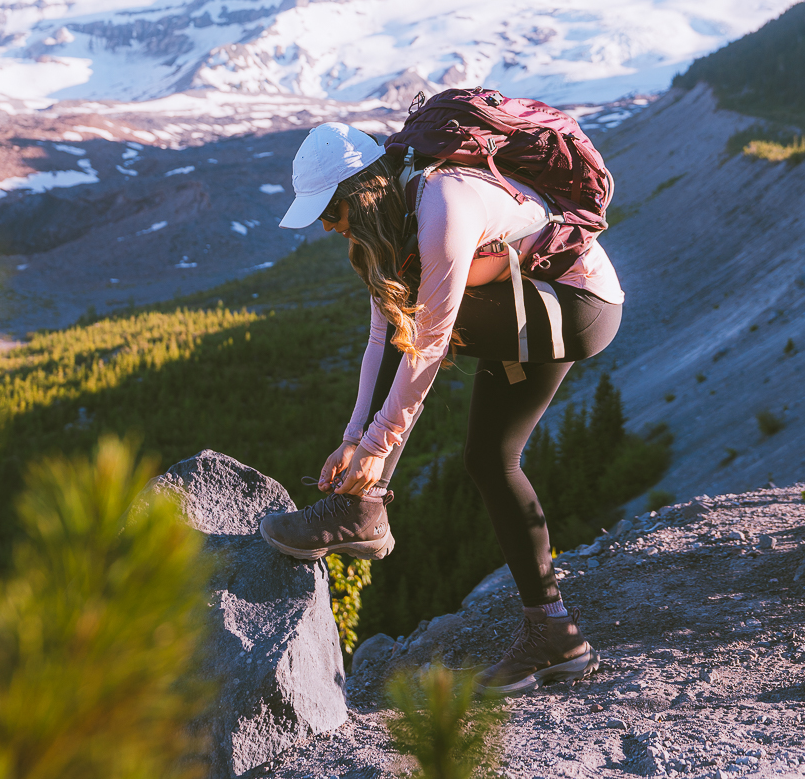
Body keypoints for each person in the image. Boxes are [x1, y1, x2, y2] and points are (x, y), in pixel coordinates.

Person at [259, 119, 623, 695]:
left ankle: (362, 511)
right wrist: (355, 437)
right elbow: (381, 338)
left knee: (423, 331)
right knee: (489, 460)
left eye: (332, 213)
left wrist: (377, 447)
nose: (330, 228)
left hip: (577, 305)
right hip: (536, 302)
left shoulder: (443, 207)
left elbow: (426, 340)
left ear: (360, 193)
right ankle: (555, 637)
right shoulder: (395, 223)